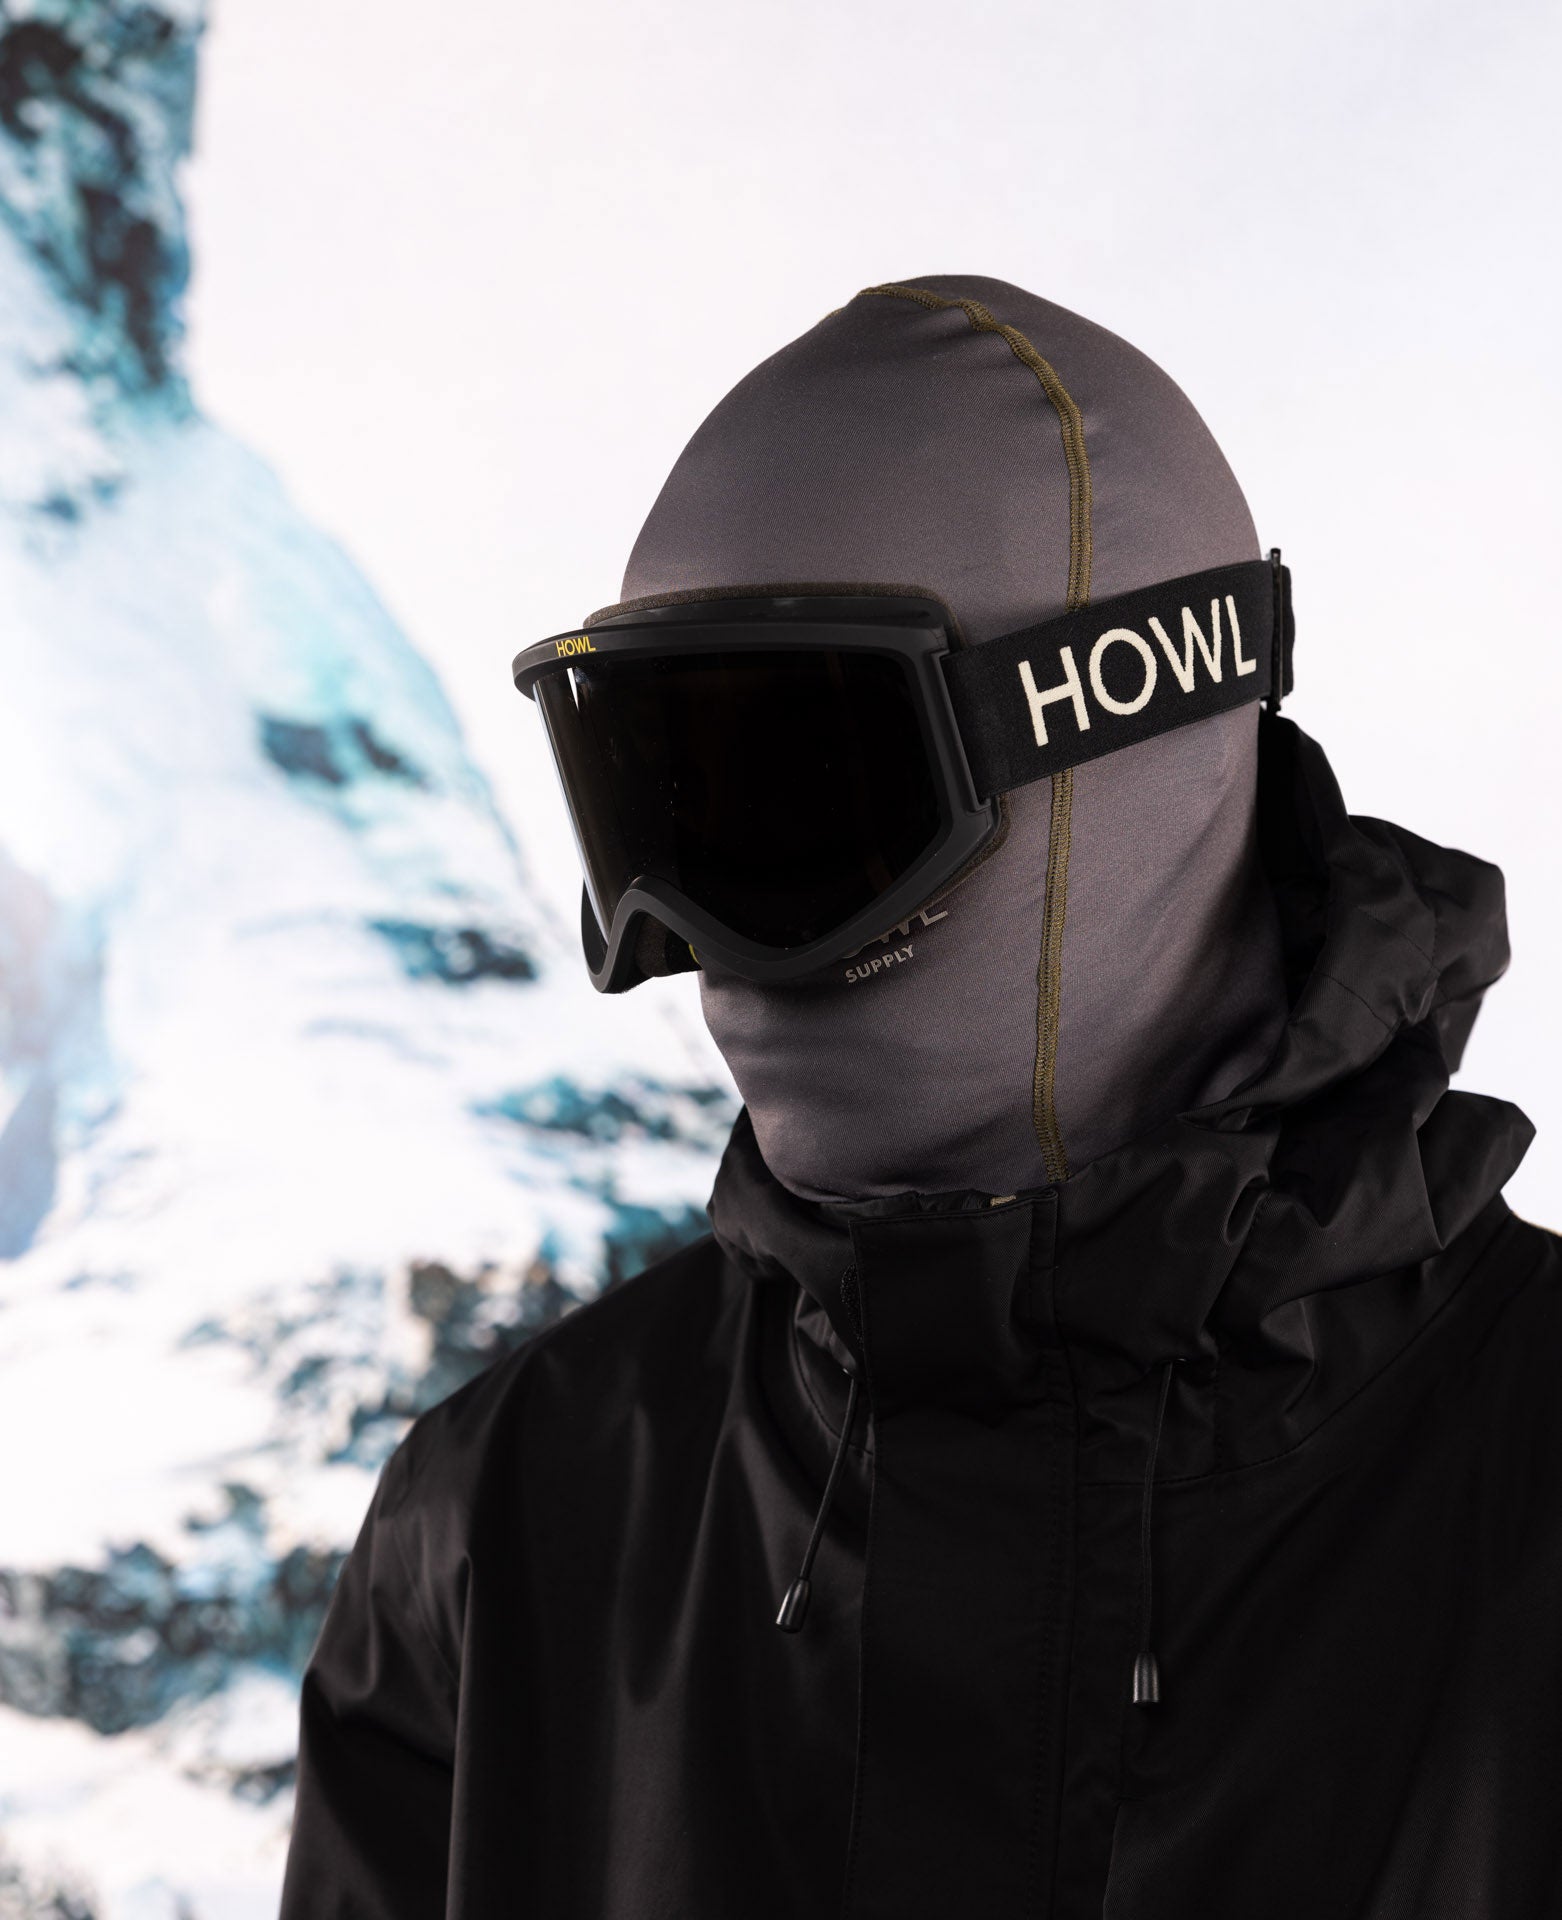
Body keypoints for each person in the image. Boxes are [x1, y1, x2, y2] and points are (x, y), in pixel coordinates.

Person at [279, 277, 1559, 1919]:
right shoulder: (505, 1513)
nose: (690, 945)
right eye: (645, 816)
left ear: (1116, 734)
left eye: (788, 804)